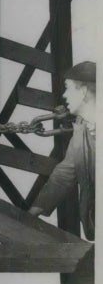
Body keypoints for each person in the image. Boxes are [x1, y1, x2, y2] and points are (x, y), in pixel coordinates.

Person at [29, 61, 95, 240]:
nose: (64, 96)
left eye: (68, 88)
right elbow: (66, 173)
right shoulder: (82, 128)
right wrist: (35, 209)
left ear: (83, 91)